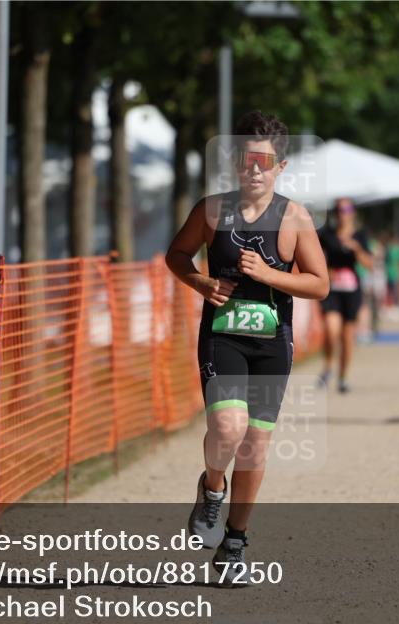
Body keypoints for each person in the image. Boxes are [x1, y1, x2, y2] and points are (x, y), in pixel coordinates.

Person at [165, 110, 329, 584]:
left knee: (255, 445)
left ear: (280, 167)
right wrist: (199, 281)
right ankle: (212, 489)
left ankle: (234, 545)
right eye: (245, 159)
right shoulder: (212, 211)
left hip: (272, 344)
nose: (254, 169)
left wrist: (269, 274)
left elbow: (320, 285)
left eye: (264, 161)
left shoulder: (294, 217)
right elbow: (175, 255)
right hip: (223, 336)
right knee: (227, 429)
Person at [317, 198, 374, 393]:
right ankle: (327, 366)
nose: (343, 213)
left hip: (352, 291)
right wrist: (325, 270)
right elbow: (315, 257)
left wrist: (356, 249)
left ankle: (343, 377)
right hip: (332, 290)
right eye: (340, 210)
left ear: (353, 213)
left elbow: (370, 264)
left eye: (347, 209)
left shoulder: (360, 235)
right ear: (335, 213)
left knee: (347, 337)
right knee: (331, 331)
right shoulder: (326, 235)